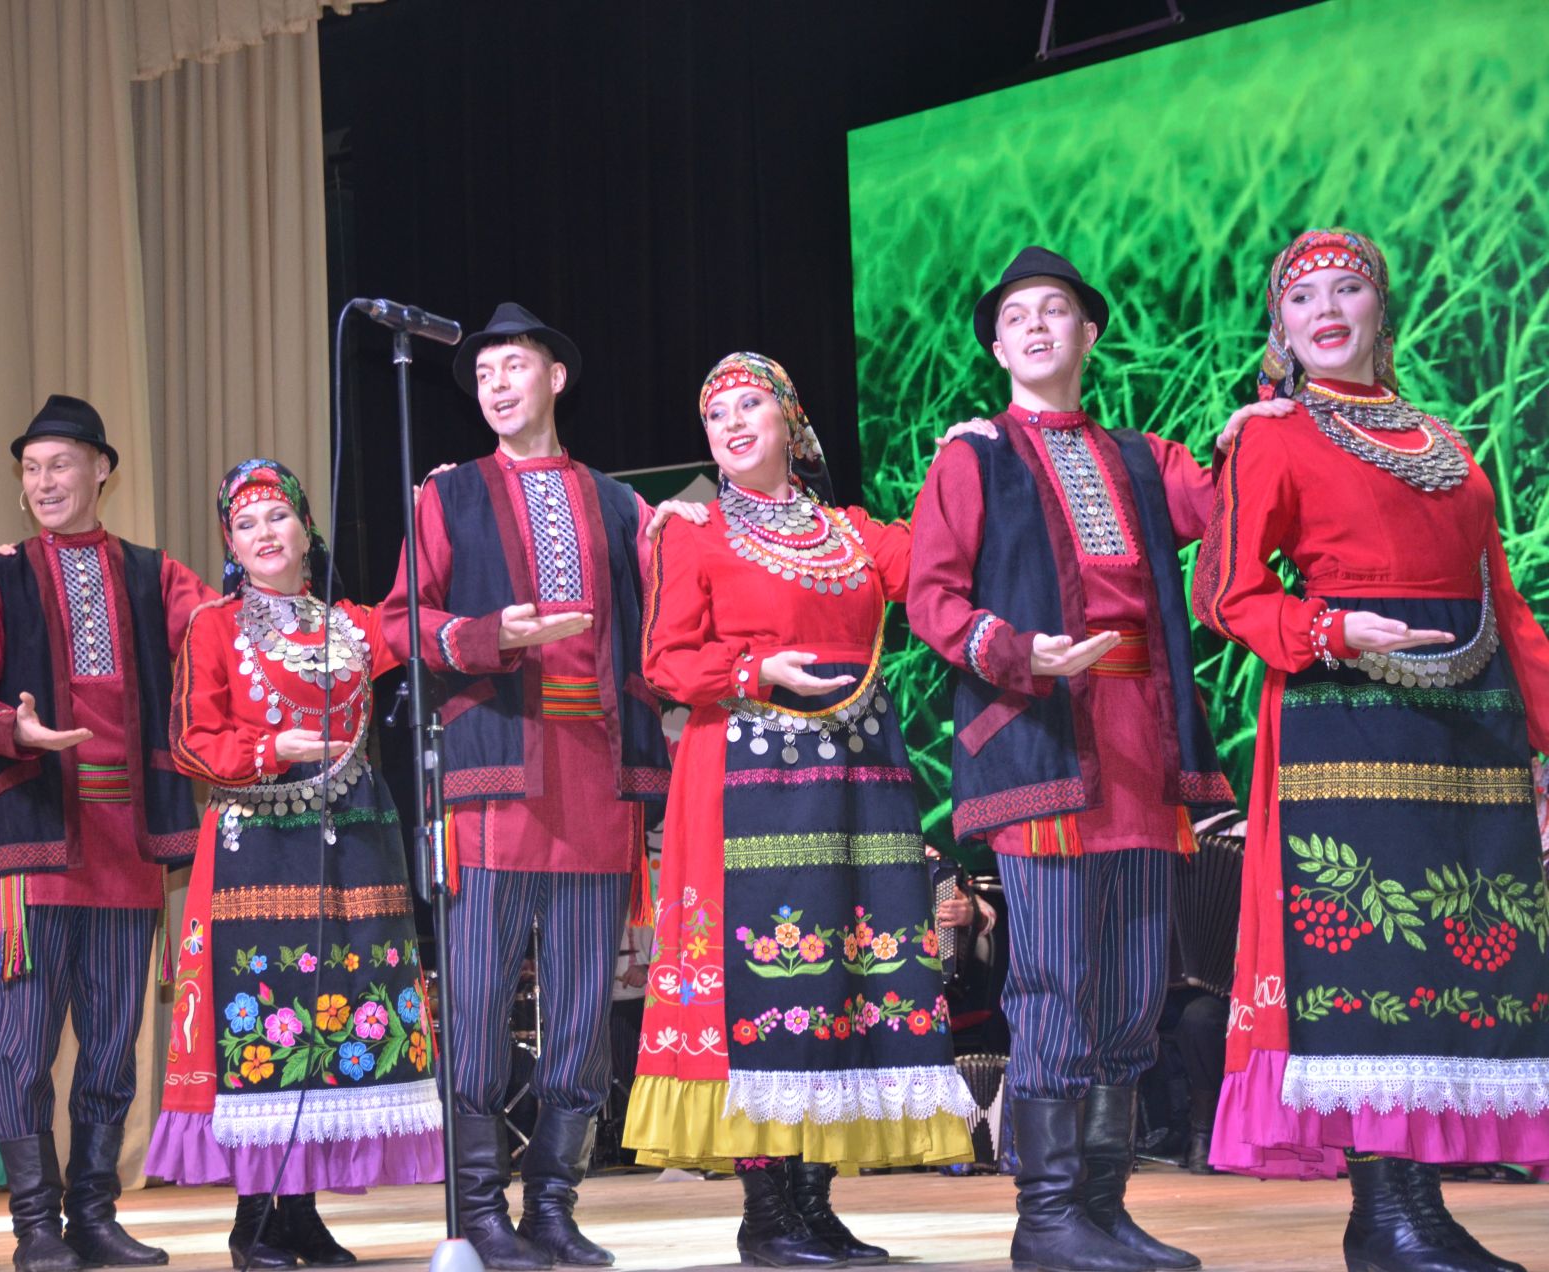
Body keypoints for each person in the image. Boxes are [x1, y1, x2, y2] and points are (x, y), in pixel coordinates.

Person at [1195, 228, 1547, 1272]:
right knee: (1372, 954)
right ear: (1282, 329)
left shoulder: (1446, 439)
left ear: (1380, 310)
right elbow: (1227, 592)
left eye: (1349, 288)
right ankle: (1386, 1209)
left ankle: (1415, 1214)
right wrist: (1331, 631)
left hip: (1472, 727)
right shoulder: (1270, 436)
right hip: (1348, 720)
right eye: (1304, 299)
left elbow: (1508, 604)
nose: (1328, 309)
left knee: (1456, 955)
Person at [904, 247, 1236, 1272]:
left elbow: (1224, 507)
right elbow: (930, 598)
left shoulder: (1145, 455)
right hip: (1044, 737)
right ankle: (1047, 1218)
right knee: (1056, 978)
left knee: (1136, 988)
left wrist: (1257, 428)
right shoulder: (976, 457)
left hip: (1145, 744)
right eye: (1019, 316)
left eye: (1059, 311)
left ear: (1090, 336)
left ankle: (1103, 1204)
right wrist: (1017, 650)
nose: (1040, 326)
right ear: (999, 345)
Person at [625, 351, 975, 1268]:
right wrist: (753, 671)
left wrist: (963, 462)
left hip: (854, 782)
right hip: (740, 778)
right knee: (760, 977)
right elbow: (665, 662)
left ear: (792, 424)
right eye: (716, 416)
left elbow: (936, 558)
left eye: (750, 406)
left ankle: (814, 1205)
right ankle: (765, 1212)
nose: (732, 425)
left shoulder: (853, 533)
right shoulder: (691, 530)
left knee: (840, 978)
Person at [381, 303, 673, 1271]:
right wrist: (482, 636)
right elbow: (396, 627)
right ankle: (479, 1213)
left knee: (585, 1018)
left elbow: (662, 627)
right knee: (472, 1008)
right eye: (484, 374)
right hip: (492, 782)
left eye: (515, 367)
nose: (497, 385)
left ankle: (553, 1204)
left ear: (556, 377)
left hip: (594, 780)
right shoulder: (448, 495)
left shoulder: (617, 504)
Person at [145, 459, 441, 1269]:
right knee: (266, 1017)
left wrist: (434, 507)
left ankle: (301, 1213)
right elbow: (189, 743)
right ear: (230, 546)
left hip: (352, 843)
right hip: (256, 847)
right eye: (245, 525)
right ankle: (254, 1219)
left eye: (277, 517)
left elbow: (418, 612)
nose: (264, 534)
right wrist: (270, 747)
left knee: (330, 1010)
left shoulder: (349, 624)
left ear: (307, 530)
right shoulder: (213, 627)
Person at [0, 395, 213, 1272]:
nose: (46, 481)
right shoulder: (4, 576)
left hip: (129, 845)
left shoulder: (151, 572)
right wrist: (10, 731)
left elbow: (212, 633)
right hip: (37, 841)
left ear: (103, 470)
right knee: (21, 1047)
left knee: (109, 1043)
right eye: (32, 468)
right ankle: (34, 1227)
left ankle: (93, 1216)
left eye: (62, 464)